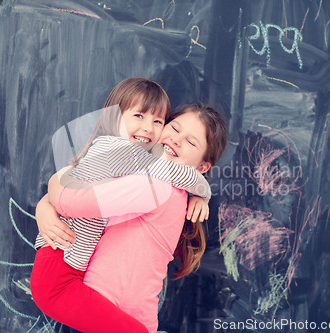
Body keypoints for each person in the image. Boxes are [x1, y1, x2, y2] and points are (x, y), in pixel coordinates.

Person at [31, 79, 219, 332]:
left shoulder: (157, 182)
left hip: (101, 300)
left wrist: (50, 196)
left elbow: (68, 194)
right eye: (174, 128)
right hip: (89, 294)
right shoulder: (135, 164)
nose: (175, 139)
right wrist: (47, 202)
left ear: (203, 165)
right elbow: (71, 194)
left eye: (191, 142)